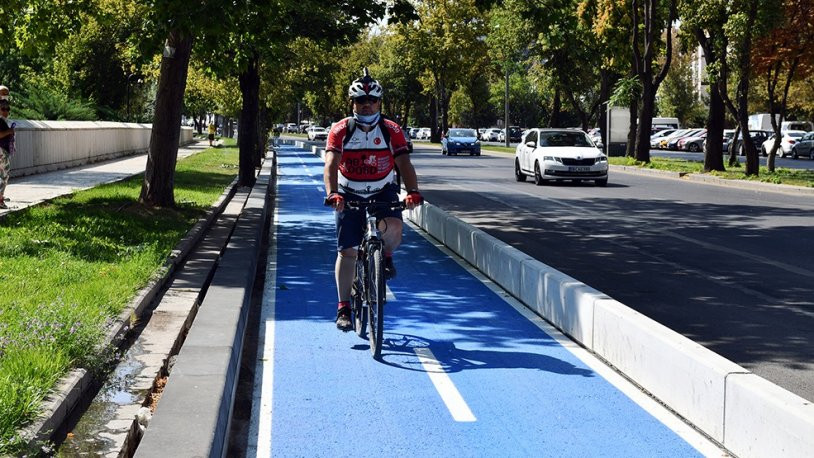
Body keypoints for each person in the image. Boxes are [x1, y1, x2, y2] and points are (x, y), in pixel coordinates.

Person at [324, 68, 423, 331]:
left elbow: (404, 162)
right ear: (352, 103)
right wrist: (333, 193)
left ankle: (385, 255)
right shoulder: (341, 129)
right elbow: (331, 164)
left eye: (372, 101)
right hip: (348, 191)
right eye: (360, 101)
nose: (366, 105)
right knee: (347, 252)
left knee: (396, 228)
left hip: (382, 189)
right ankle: (343, 307)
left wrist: (413, 191)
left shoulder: (391, 130)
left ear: (380, 102)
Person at [0, 98, 15, 209]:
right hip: (1, 151)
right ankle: (0, 200)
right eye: (3, 109)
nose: (6, 111)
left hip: (3, 150)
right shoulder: (0, 121)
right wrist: (9, 131)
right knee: (3, 176)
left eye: (7, 109)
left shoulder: (3, 121)